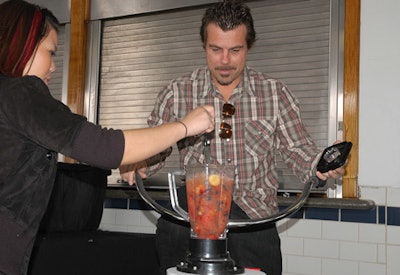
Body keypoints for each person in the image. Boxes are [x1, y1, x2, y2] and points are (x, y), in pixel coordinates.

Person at [120, 1, 346, 274]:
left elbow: (297, 149)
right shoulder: (178, 93)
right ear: (204, 46)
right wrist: (138, 163)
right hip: (191, 226)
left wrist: (320, 163)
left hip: (254, 224)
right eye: (216, 49)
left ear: (248, 47)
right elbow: (154, 147)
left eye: (235, 50)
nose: (225, 61)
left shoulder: (274, 94)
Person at [0, 1, 215, 274]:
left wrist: (137, 156)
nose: (53, 67)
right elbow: (104, 148)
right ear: (25, 44)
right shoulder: (22, 94)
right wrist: (184, 126)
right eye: (50, 52)